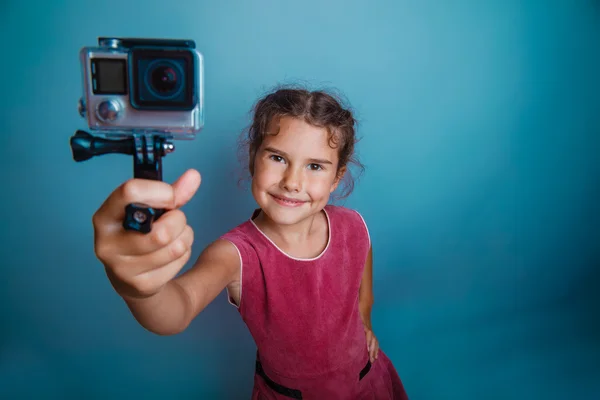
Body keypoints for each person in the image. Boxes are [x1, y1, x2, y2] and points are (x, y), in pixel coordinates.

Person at [92, 85, 409, 399]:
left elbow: (360, 268)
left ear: (336, 177)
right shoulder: (235, 255)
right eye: (277, 157)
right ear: (253, 158)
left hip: (369, 386)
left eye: (314, 166)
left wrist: (364, 318)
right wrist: (139, 289)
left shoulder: (353, 225)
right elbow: (177, 308)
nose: (292, 182)